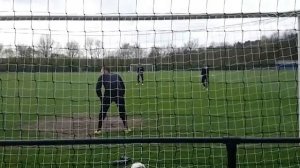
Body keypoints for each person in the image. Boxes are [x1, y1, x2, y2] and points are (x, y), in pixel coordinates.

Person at [95, 66, 131, 134]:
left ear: (106, 71)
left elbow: (97, 89)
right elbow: (123, 86)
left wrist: (101, 98)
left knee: (102, 112)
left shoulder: (102, 77)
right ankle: (126, 128)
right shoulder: (117, 75)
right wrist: (121, 95)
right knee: (122, 111)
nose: (100, 72)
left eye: (101, 71)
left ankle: (98, 130)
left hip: (108, 94)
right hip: (119, 93)